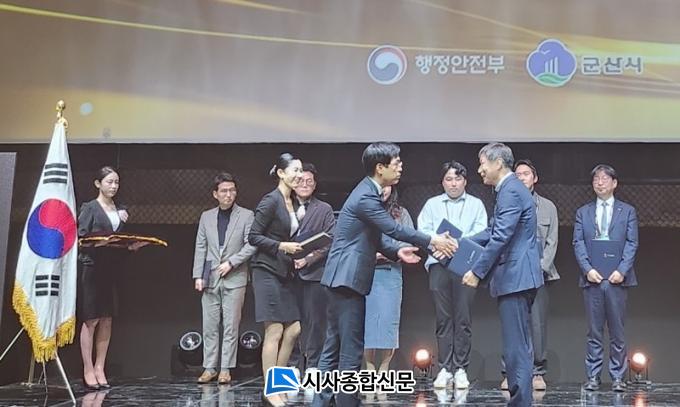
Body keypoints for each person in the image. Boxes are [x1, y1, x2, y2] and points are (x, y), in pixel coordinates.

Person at [313, 142, 456, 407]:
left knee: (334, 347)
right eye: (396, 163)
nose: (401, 167)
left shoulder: (368, 192)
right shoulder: (366, 196)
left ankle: (321, 402)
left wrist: (396, 252)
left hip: (340, 278)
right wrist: (433, 240)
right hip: (346, 279)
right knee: (350, 349)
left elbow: (374, 236)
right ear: (380, 168)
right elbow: (393, 228)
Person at [461, 143, 543, 407]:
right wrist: (460, 243)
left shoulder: (510, 190)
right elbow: (492, 230)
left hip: (516, 277)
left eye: (482, 163)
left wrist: (477, 271)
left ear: (498, 163)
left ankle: (520, 402)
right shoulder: (509, 190)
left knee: (516, 347)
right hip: (517, 277)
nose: (479, 169)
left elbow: (500, 237)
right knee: (518, 345)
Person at [417, 161, 487, 390]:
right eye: (449, 179)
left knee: (463, 318)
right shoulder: (432, 204)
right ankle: (444, 369)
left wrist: (457, 243)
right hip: (438, 264)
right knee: (443, 318)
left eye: (458, 179)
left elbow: (482, 232)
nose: (453, 183)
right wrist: (441, 243)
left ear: (465, 181)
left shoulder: (476, 204)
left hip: (465, 266)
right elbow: (422, 231)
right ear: (442, 182)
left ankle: (461, 369)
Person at [573, 164, 638, 393]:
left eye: (604, 179)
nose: (600, 183)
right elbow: (578, 243)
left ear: (614, 183)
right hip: (593, 278)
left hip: (617, 279)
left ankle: (618, 377)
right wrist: (587, 269)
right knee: (594, 331)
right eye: (596, 179)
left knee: (617, 331)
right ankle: (593, 376)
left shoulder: (627, 211)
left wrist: (622, 270)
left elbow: (632, 243)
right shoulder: (583, 212)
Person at [498, 159, 559, 391]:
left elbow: (552, 241)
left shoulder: (548, 207)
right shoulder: (506, 201)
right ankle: (510, 372)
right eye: (518, 174)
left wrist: (540, 268)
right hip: (513, 274)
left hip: (540, 274)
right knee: (512, 324)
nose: (522, 177)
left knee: (537, 324)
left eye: (526, 173)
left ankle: (537, 372)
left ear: (535, 178)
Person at [248, 153, 304, 407]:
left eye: (301, 170)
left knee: (294, 329)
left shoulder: (293, 201)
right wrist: (281, 245)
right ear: (281, 173)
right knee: (274, 329)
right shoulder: (270, 200)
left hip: (284, 271)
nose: (299, 175)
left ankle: (278, 385)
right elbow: (253, 236)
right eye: (295, 170)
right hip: (265, 269)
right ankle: (270, 391)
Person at [192, 172, 256, 385]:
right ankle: (209, 367)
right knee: (210, 325)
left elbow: (251, 244)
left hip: (235, 276)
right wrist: (198, 275)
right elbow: (201, 247)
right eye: (224, 191)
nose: (228, 195)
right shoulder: (206, 216)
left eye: (232, 190)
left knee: (231, 325)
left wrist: (232, 262)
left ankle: (226, 368)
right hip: (210, 276)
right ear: (215, 194)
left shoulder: (246, 215)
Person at [77, 166, 130, 390]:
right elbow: (81, 238)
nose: (114, 186)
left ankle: (100, 367)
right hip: (93, 268)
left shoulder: (121, 209)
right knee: (91, 319)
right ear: (98, 184)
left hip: (112, 268)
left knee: (107, 319)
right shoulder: (89, 208)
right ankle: (88, 368)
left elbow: (120, 239)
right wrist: (100, 243)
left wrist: (130, 245)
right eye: (109, 182)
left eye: (116, 182)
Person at [287, 163, 336, 379]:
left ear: (315, 185)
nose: (305, 185)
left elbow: (331, 240)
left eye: (309, 181)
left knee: (316, 321)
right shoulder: (283, 206)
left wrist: (308, 259)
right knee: (291, 321)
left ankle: (313, 364)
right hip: (287, 273)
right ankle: (292, 364)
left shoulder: (324, 209)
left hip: (316, 274)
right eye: (300, 181)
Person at [363, 186, 412, 376]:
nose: (383, 190)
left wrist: (389, 253)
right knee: (367, 322)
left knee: (388, 322)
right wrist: (370, 254)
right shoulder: (363, 210)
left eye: (386, 186)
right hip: (366, 272)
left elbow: (408, 241)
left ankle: (384, 368)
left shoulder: (401, 213)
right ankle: (369, 367)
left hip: (391, 271)